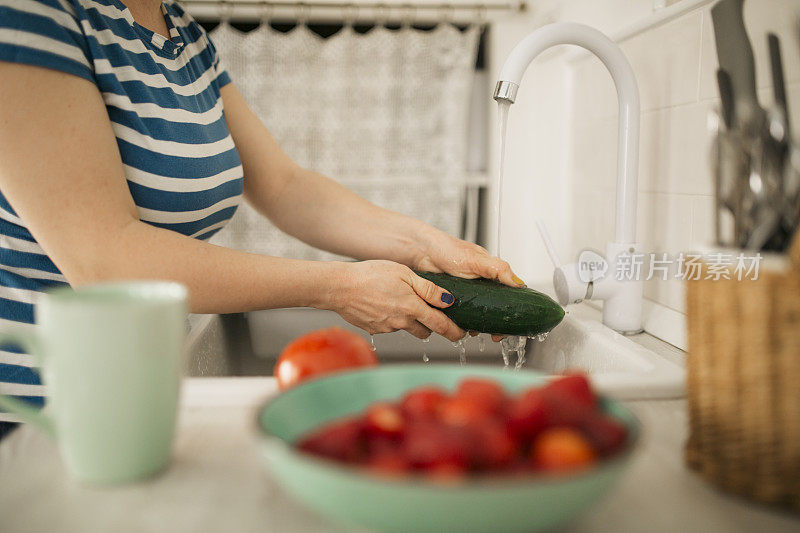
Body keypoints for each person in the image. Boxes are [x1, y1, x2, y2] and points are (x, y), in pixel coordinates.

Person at [0, 0, 523, 437]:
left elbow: (284, 186)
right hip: (38, 415)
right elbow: (105, 260)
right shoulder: (34, 13)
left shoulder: (179, 30)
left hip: (143, 396)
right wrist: (338, 286)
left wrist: (427, 245)